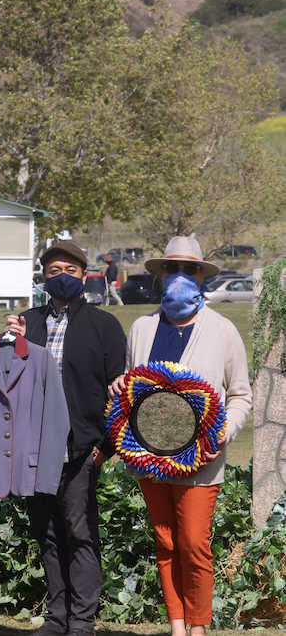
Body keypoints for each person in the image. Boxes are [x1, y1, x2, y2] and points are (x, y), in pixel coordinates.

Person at [108, 236, 251, 636]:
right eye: (173, 269)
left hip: (200, 461)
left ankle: (199, 627)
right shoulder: (141, 327)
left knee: (193, 543)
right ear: (161, 274)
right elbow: (131, 383)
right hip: (149, 456)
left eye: (190, 269)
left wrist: (223, 433)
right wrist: (119, 386)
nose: (180, 276)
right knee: (166, 541)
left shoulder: (222, 330)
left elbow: (240, 393)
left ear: (201, 277)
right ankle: (176, 626)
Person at [4, 240, 126, 636]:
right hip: (35, 447)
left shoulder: (103, 326)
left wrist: (104, 447)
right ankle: (57, 617)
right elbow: (5, 382)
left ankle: (82, 620)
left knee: (79, 532)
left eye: (71, 271)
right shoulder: (27, 322)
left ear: (84, 275)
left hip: (80, 447)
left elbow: (118, 391)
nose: (62, 277)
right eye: (54, 271)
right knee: (48, 533)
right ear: (43, 277)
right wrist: (10, 343)